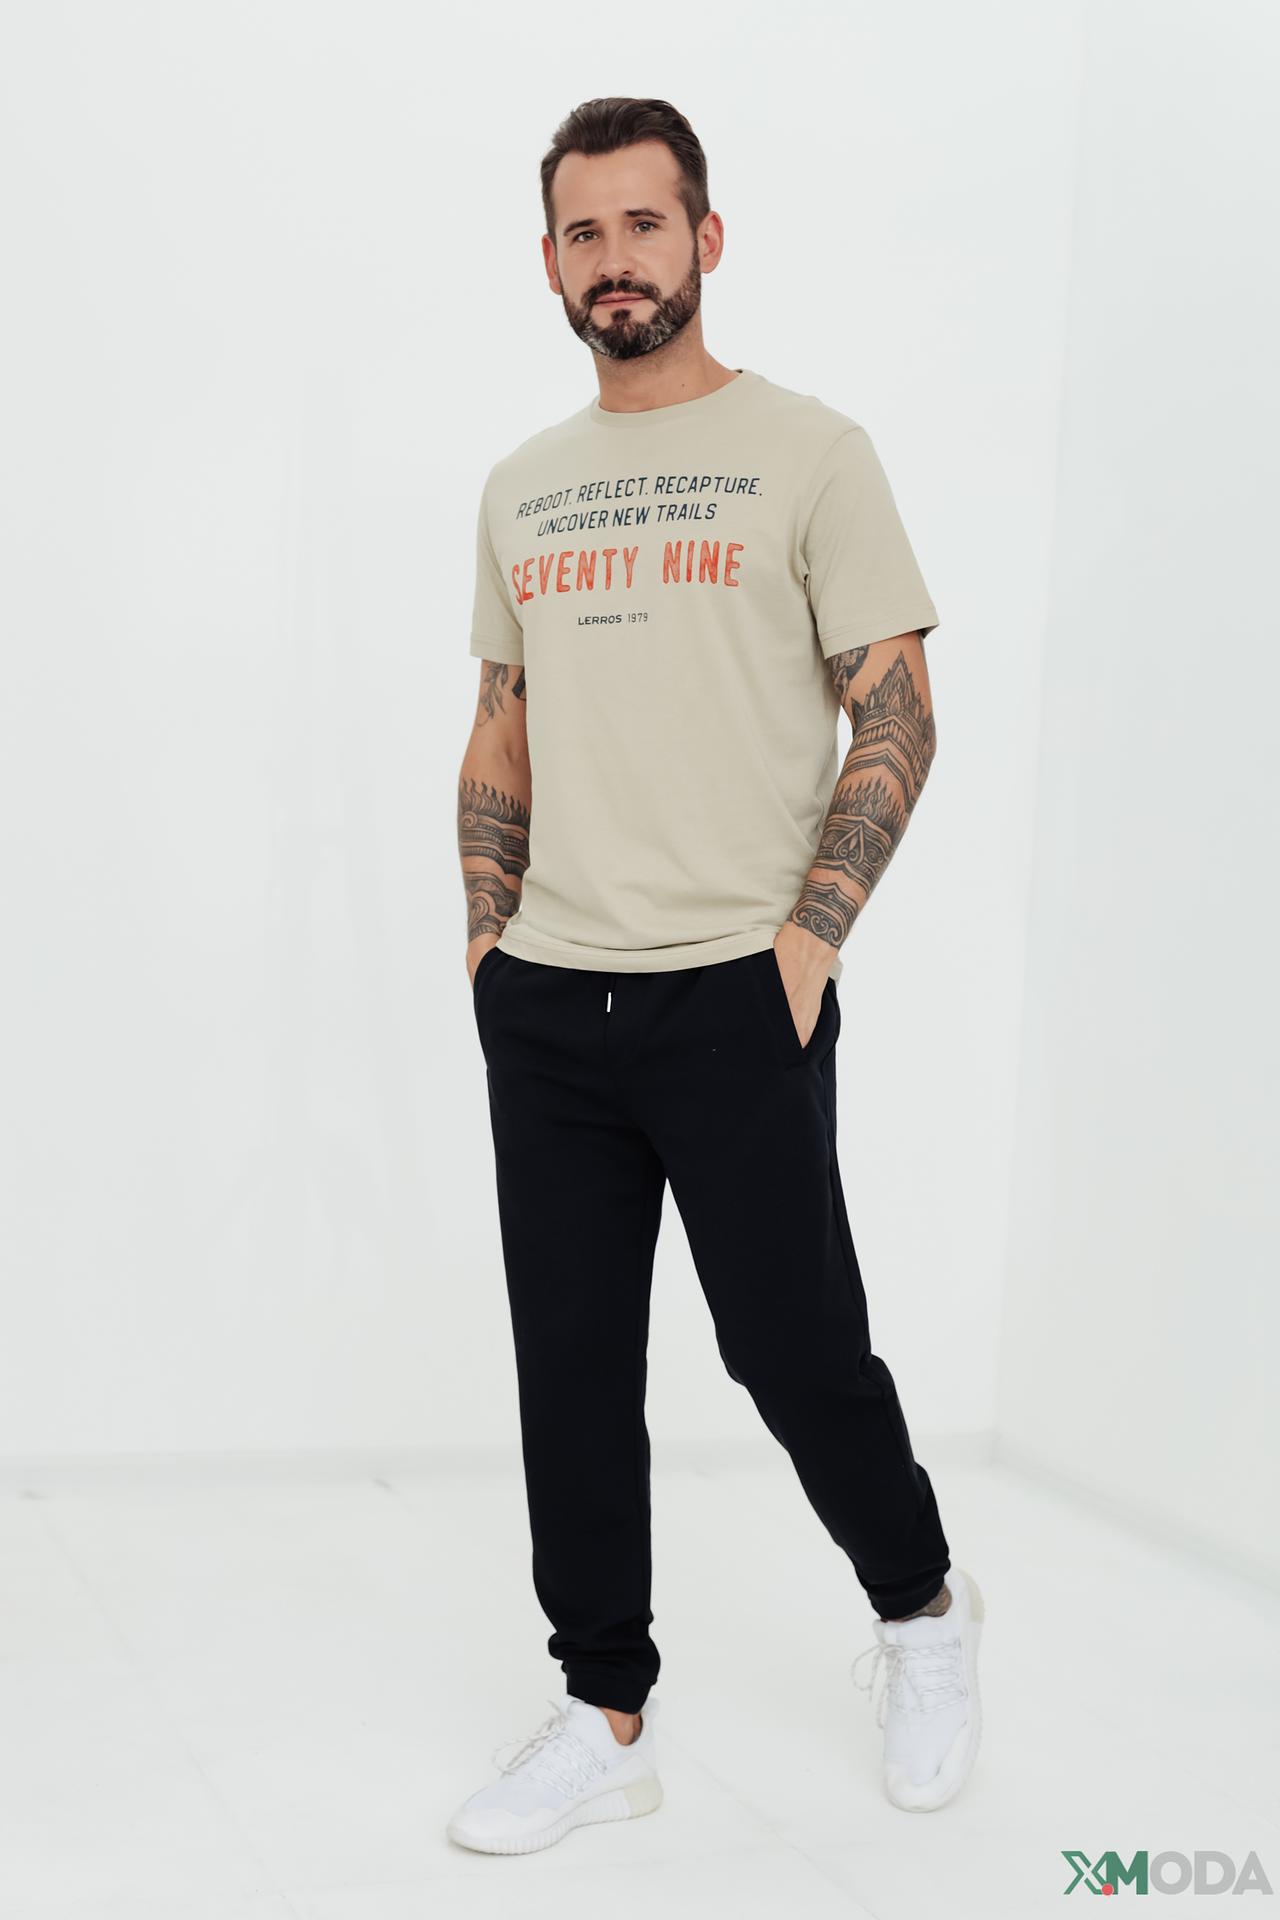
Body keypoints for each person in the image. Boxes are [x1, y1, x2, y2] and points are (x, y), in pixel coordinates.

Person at [448, 95, 984, 1857]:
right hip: (552, 995)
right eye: (583, 233)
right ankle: (605, 1711)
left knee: (793, 1348)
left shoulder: (810, 454)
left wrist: (807, 945)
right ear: (551, 263)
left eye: (644, 224)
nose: (616, 260)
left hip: (735, 992)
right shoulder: (520, 487)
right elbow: (502, 723)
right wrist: (486, 943)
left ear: (707, 239)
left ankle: (921, 1611)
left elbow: (896, 706)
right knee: (571, 1367)